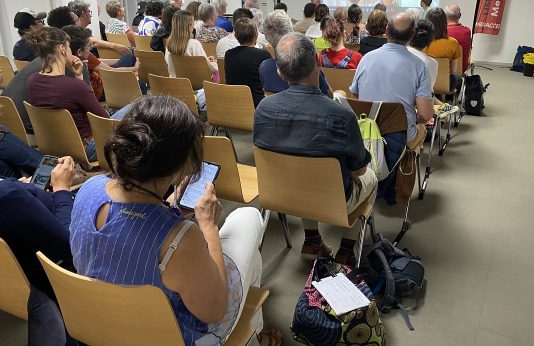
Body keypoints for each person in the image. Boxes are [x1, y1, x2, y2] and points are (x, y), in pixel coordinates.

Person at [69, 95, 281, 346]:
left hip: (104, 324)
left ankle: (255, 335)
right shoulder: (180, 239)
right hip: (172, 337)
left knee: (251, 259)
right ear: (182, 166)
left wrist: (167, 205)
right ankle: (254, 335)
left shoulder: (88, 188)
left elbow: (128, 223)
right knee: (248, 217)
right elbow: (215, 311)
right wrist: (209, 227)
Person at [254, 32, 376, 266]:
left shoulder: (263, 109)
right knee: (372, 176)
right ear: (318, 63)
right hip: (333, 198)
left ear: (280, 72)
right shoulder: (341, 114)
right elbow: (358, 171)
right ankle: (347, 250)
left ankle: (311, 240)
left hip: (283, 193)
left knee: (301, 172)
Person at [0, 156, 76, 345]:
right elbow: (69, 246)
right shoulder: (9, 197)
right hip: (57, 267)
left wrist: (22, 188)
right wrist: (62, 189)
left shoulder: (10, 193)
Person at [25, 27, 110, 161]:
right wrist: (81, 82)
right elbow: (105, 120)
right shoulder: (74, 86)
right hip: (87, 147)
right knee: (131, 110)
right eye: (69, 47)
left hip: (56, 146)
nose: (70, 51)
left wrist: (79, 77)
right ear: (62, 49)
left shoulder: (32, 81)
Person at [350, 13, 433, 147]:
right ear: (412, 36)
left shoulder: (366, 58)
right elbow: (425, 115)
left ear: (387, 31)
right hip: (400, 135)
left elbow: (355, 95)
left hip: (366, 132)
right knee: (422, 129)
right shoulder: (419, 66)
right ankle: (406, 163)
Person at [259, 10, 332, 97]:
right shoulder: (308, 63)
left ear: (267, 38)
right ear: (291, 29)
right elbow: (329, 95)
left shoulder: (264, 68)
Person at [63, 25, 141, 101]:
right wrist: (134, 68)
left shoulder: (62, 61)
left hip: (99, 83)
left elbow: (98, 62)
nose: (90, 50)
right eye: (89, 47)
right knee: (130, 60)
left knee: (128, 59)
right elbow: (110, 72)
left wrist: (119, 61)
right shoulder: (81, 66)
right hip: (100, 91)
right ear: (79, 51)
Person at [409, 19, 459, 118]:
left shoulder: (399, 54)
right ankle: (442, 106)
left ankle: (442, 105)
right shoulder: (430, 63)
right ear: (430, 41)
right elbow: (426, 92)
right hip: (416, 106)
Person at [225, 18, 272, 107]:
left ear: (235, 36)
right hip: (257, 105)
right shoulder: (263, 55)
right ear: (256, 35)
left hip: (233, 104)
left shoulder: (228, 54)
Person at [165, 10, 217, 78]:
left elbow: (170, 65)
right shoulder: (194, 44)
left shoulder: (169, 43)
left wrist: (206, 60)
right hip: (196, 84)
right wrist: (215, 64)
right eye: (193, 23)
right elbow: (207, 68)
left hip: (175, 82)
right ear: (189, 25)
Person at [424, 7, 462, 92]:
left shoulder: (420, 42)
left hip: (422, 83)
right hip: (444, 84)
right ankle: (450, 100)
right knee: (459, 78)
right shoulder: (453, 42)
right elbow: (452, 70)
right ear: (445, 23)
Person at [445, 4, 472, 74]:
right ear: (460, 16)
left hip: (443, 70)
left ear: (445, 16)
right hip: (461, 69)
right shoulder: (467, 31)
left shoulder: (442, 32)